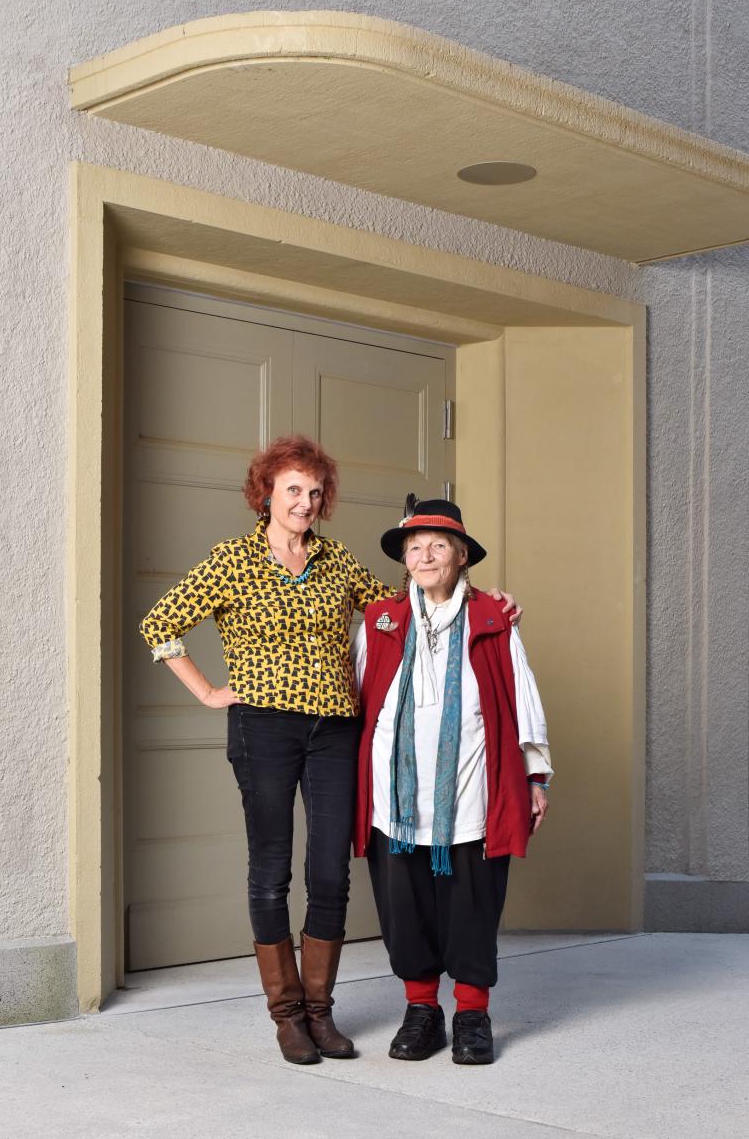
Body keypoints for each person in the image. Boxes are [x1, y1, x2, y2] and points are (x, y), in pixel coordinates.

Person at [139, 436, 522, 1065]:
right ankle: (287, 1015)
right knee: (271, 873)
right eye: (293, 490)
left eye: (315, 493)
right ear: (266, 494)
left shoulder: (337, 561)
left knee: (329, 876)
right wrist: (208, 690)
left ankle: (321, 1013)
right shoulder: (232, 559)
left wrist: (492, 603)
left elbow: (409, 604)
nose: (306, 503)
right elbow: (160, 624)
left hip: (335, 732)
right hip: (262, 729)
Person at [353, 497, 552, 1065]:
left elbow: (523, 699)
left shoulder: (493, 618)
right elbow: (360, 700)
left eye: (438, 545)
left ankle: (471, 1013)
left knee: (472, 906)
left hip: (471, 791)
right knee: (403, 907)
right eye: (414, 547)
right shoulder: (380, 621)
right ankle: (422, 1011)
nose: (424, 555)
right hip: (395, 798)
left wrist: (536, 776)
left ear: (462, 556)